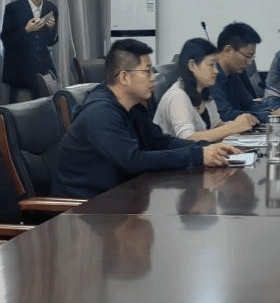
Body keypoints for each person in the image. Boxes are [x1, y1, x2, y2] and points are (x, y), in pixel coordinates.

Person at [52, 39, 240, 199]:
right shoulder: (100, 113)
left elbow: (160, 142)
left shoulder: (133, 105)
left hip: (120, 197)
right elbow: (133, 160)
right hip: (85, 211)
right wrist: (198, 155)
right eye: (147, 71)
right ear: (124, 77)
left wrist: (206, 148)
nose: (153, 78)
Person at [154, 38, 257, 142]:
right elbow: (187, 138)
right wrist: (233, 127)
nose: (216, 71)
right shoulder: (178, 96)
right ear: (192, 65)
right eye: (211, 65)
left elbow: (215, 125)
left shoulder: (204, 92)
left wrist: (241, 124)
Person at [210, 22, 280, 124]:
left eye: (252, 57)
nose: (250, 62)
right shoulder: (210, 76)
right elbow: (226, 114)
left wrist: (272, 113)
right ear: (228, 50)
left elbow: (250, 105)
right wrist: (272, 116)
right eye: (247, 56)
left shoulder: (233, 73)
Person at [1, 0, 59, 101]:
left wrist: (51, 29)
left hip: (43, 68)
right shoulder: (13, 8)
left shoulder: (51, 8)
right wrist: (26, 30)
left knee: (46, 106)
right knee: (18, 108)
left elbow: (51, 41)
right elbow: (7, 41)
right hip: (19, 69)